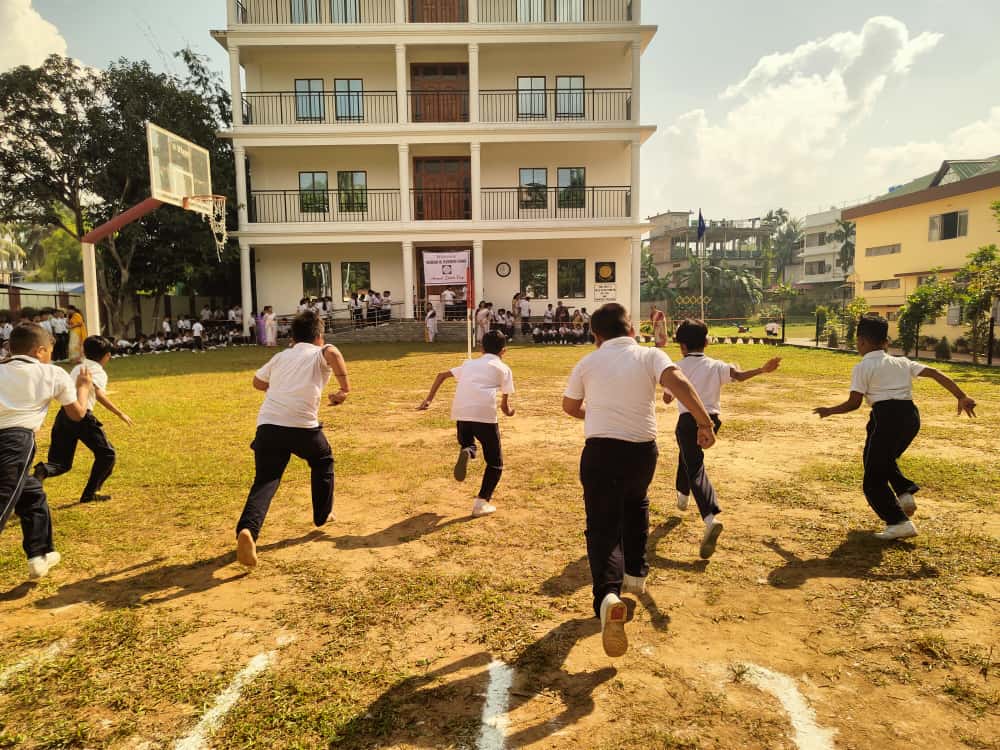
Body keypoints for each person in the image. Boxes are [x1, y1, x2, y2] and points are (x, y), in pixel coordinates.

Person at [561, 303, 716, 658]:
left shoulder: (587, 362)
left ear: (596, 336)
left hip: (600, 451)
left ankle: (608, 596)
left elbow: (570, 407)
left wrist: (596, 414)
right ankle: (636, 573)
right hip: (642, 452)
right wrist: (704, 423)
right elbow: (679, 382)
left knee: (602, 526)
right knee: (636, 504)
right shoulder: (649, 356)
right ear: (631, 330)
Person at [813, 315, 977, 540]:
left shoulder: (863, 367)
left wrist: (829, 410)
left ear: (861, 341)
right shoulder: (902, 361)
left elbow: (854, 403)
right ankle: (904, 492)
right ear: (886, 342)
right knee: (881, 459)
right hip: (910, 417)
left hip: (886, 417)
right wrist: (961, 395)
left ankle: (898, 522)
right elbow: (935, 373)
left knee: (873, 480)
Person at [235, 311, 350, 568]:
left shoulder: (280, 356)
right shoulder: (320, 351)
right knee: (322, 460)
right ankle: (322, 515)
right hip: (302, 427)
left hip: (268, 427)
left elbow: (257, 382)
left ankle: (247, 531)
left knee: (266, 480)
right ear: (319, 337)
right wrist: (344, 388)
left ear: (292, 338)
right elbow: (334, 354)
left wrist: (275, 385)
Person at [671, 319, 781, 558]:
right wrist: (762, 369)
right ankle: (682, 493)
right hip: (712, 421)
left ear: (682, 345)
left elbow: (669, 397)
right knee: (689, 456)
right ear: (706, 342)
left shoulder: (676, 367)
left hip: (689, 421)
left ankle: (710, 517)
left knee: (694, 465)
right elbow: (739, 376)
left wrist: (671, 395)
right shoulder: (717, 365)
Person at [0, 323, 92, 580]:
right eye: (50, 350)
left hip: (11, 442)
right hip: (14, 443)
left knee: (32, 494)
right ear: (41, 350)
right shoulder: (52, 373)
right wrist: (83, 386)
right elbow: (77, 414)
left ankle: (39, 555)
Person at [418, 330, 515, 518]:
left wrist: (428, 400)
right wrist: (509, 412)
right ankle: (481, 503)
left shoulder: (469, 364)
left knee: (468, 443)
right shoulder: (504, 369)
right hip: (484, 415)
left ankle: (468, 450)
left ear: (481, 348)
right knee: (495, 463)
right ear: (504, 351)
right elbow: (505, 406)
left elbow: (441, 375)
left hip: (462, 413)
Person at [34, 336, 133, 504]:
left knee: (60, 463)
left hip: (64, 415)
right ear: (107, 356)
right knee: (107, 455)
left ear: (84, 351)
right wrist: (120, 413)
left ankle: (43, 470)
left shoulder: (78, 367)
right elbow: (100, 395)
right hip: (83, 417)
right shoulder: (98, 372)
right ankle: (90, 493)